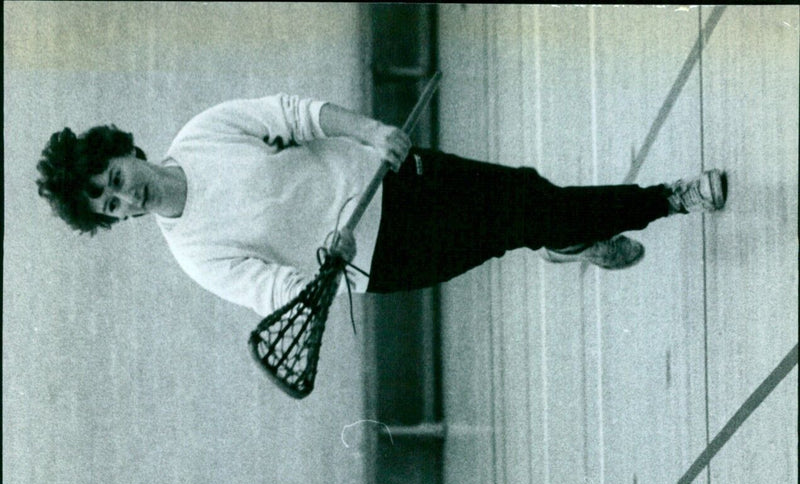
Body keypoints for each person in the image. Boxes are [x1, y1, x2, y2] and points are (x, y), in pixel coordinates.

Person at [37, 93, 728, 322]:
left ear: (122, 151)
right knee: (522, 215)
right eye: (106, 202)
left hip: (390, 177)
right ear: (113, 216)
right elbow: (275, 290)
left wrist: (369, 132)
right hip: (383, 256)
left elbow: (295, 114)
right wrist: (321, 272)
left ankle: (569, 238)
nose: (121, 193)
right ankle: (671, 198)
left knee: (526, 195)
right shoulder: (193, 253)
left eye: (112, 176)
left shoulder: (204, 131)